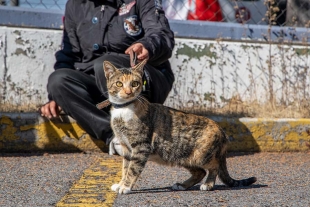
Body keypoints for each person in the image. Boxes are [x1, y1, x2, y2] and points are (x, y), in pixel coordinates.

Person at [39, 0, 175, 156]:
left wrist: (148, 45)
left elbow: (161, 34)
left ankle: (137, 128)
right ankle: (116, 138)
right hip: (101, 86)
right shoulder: (75, 5)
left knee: (105, 65)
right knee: (58, 81)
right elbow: (69, 56)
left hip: (143, 80)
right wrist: (58, 97)